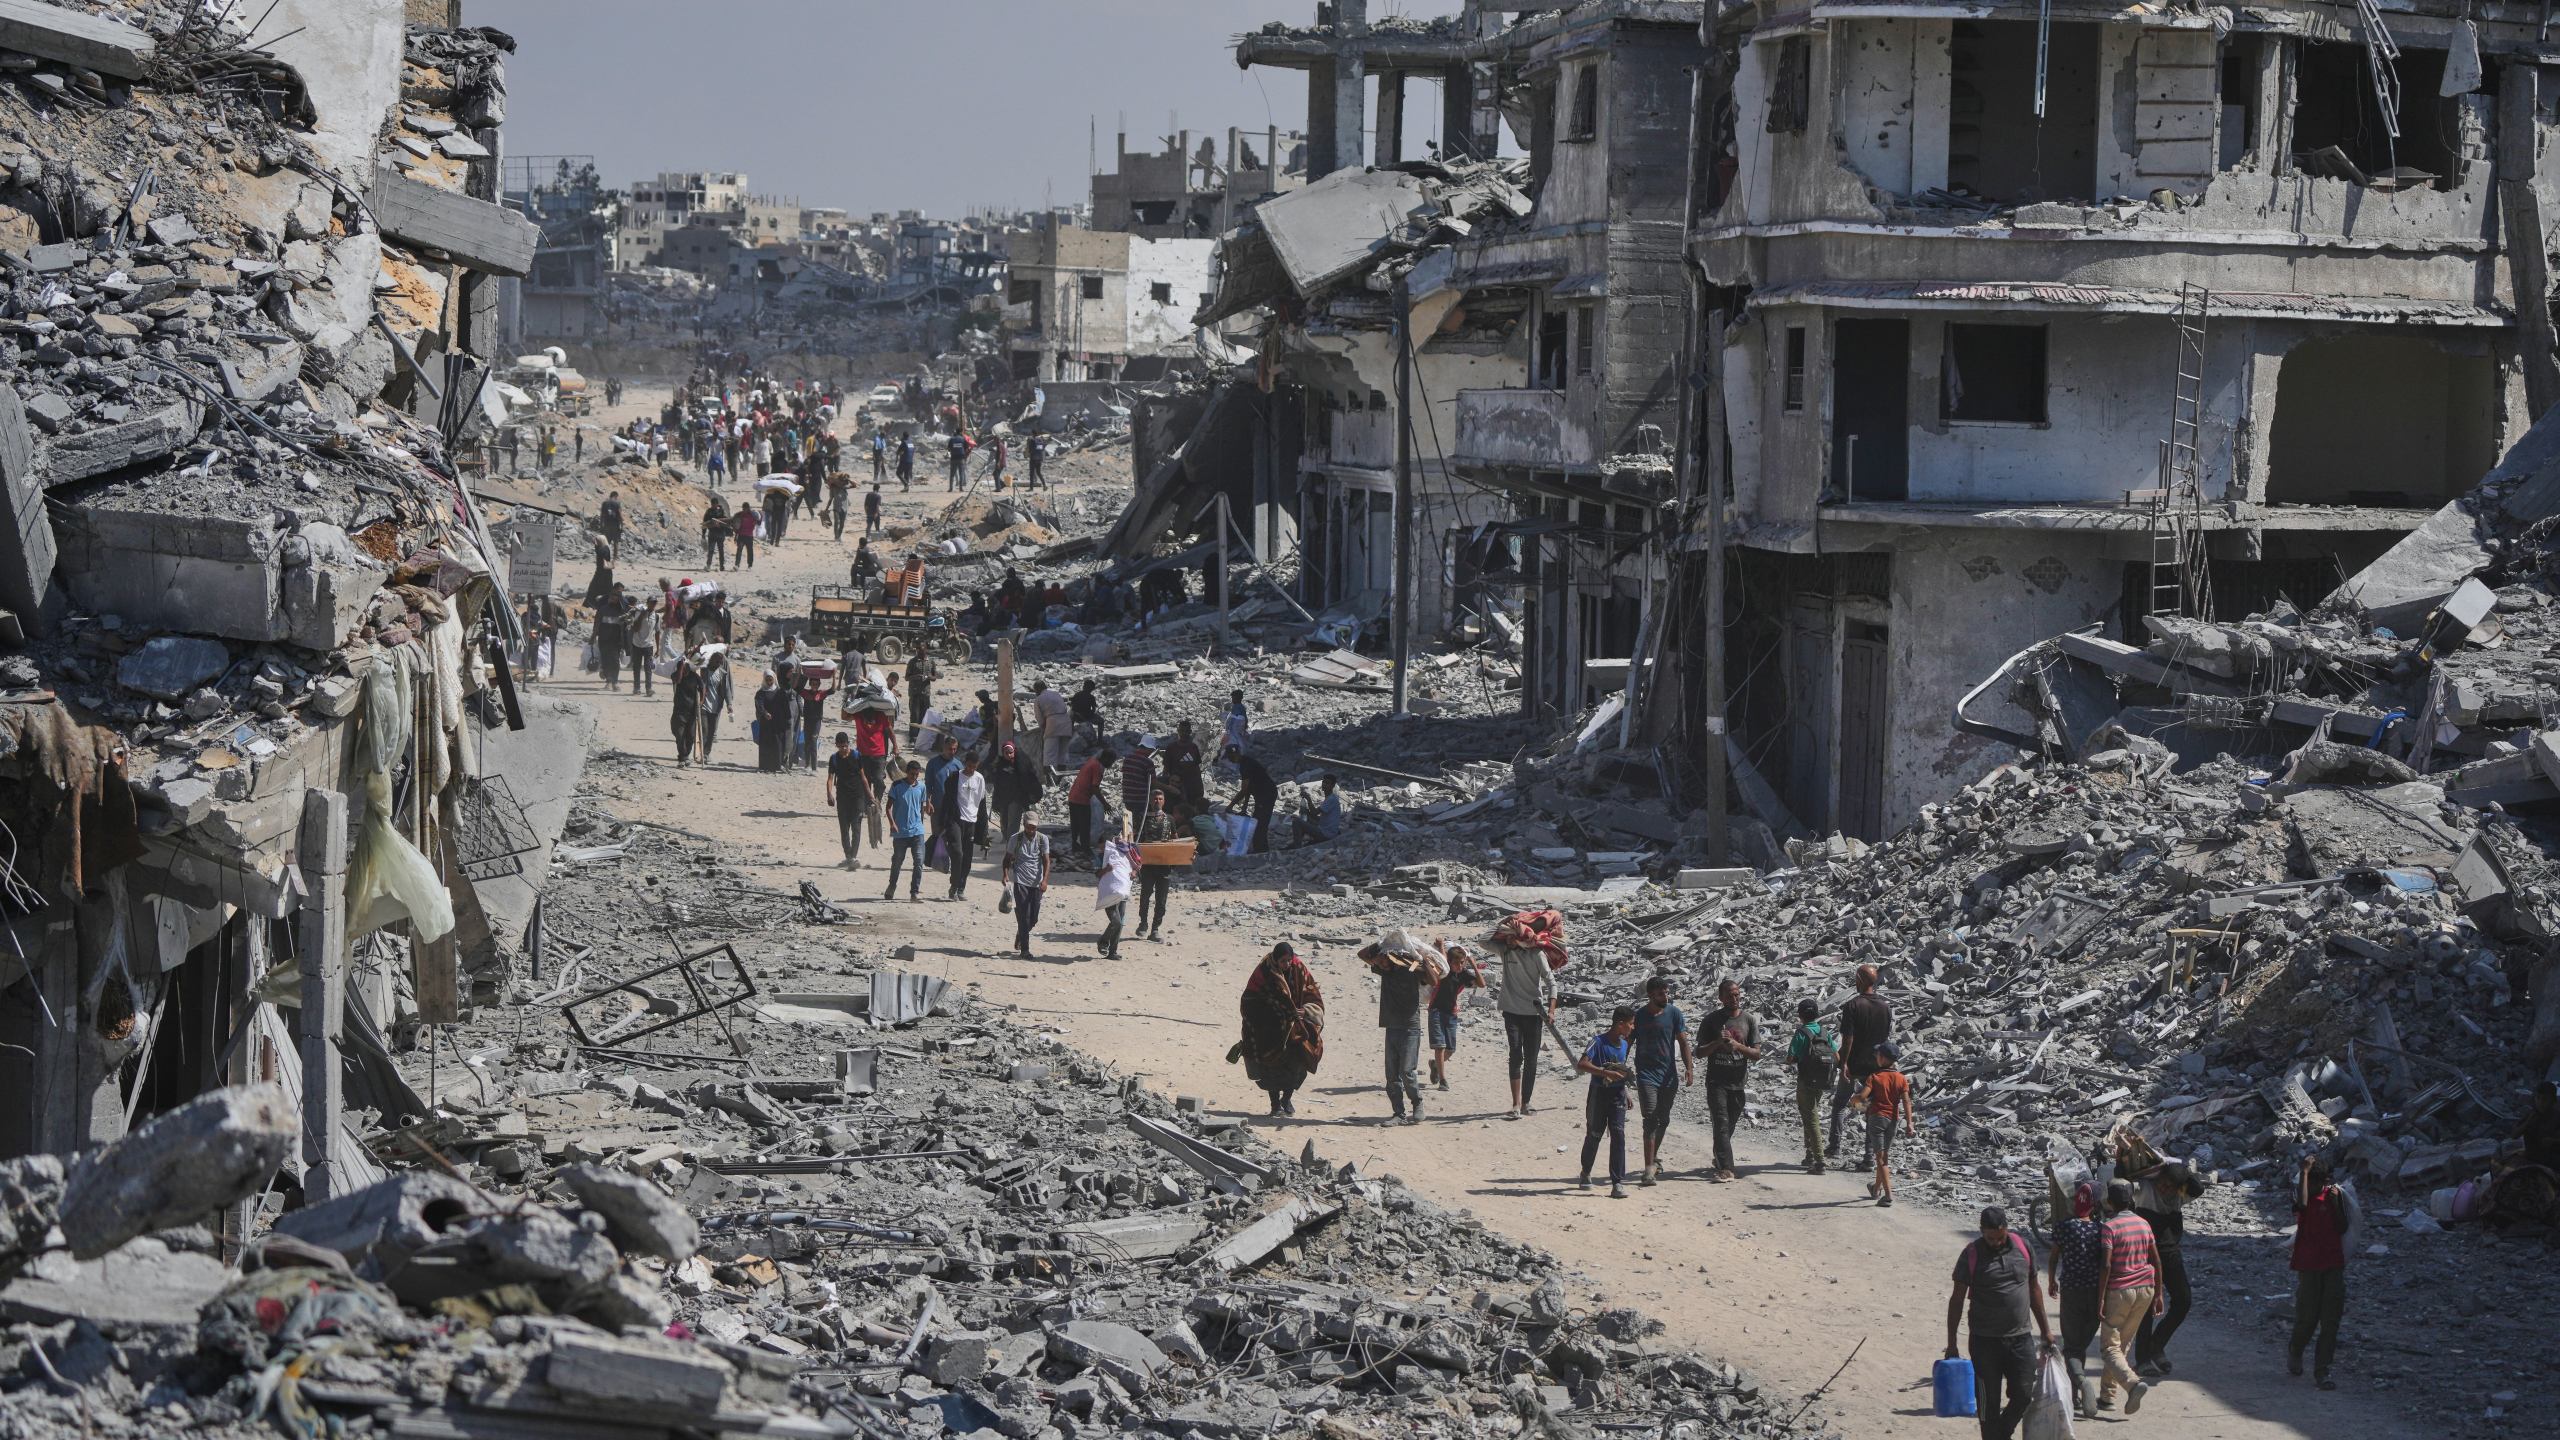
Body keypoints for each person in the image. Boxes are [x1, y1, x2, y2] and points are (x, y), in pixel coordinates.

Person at [1945, 1206, 2057, 1440]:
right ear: (1981, 1232)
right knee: (1988, 1406)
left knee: (2024, 1394)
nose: (1995, 1242)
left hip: (2020, 1338)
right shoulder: (1971, 1254)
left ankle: (2002, 1435)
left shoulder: (2023, 1247)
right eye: (1990, 1238)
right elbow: (1957, 1300)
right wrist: (1952, 1342)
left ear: (2006, 1229)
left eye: (2000, 1237)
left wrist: (2046, 1329)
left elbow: (2034, 1289)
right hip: (1984, 1343)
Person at [2123, 1148, 2207, 1377]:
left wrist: (2177, 1167)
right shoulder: (2145, 1188)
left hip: (2170, 1254)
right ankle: (2142, 1359)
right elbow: (2123, 1175)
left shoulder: (2180, 1195)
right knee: (2147, 1305)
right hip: (2145, 1255)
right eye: (2162, 1183)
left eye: (2170, 1186)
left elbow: (2198, 1188)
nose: (2164, 1189)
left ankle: (2157, 1344)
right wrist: (2159, 1167)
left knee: (2183, 1300)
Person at [1358, 934, 1443, 1125]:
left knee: (1407, 1071)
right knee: (1391, 1074)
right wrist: (1383, 943)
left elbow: (1434, 981)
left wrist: (1423, 960)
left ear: (1391, 957)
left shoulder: (1410, 969)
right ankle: (1399, 1113)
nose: (1380, 963)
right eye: (1379, 961)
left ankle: (1417, 1103)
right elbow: (1362, 954)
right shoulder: (1384, 971)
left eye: (1383, 960)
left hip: (1410, 1027)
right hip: (1391, 1026)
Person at [2097, 1180, 2161, 1414]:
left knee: (2109, 1348)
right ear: (2132, 1200)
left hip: (2120, 1291)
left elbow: (2106, 1265)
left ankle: (2132, 1384)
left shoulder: (2109, 1227)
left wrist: (2100, 1297)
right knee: (2120, 1346)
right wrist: (2159, 1293)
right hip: (2146, 1288)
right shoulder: (2143, 1223)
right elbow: (2156, 1259)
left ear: (2109, 1202)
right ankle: (2107, 1397)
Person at [2288, 1155, 2351, 1391]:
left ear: (2324, 1181)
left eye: (2318, 1182)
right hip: (2308, 1266)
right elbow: (2303, 1205)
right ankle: (2296, 1349)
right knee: (2307, 1318)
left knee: (2330, 1322)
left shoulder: (2334, 1196)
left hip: (2333, 1265)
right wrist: (2304, 1173)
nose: (2314, 1187)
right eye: (2310, 1181)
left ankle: (2322, 1370)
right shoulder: (2300, 1192)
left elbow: (2343, 1227)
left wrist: (2334, 1203)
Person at [1239, 942, 1323, 1118]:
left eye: (1289, 960)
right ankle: (1275, 1104)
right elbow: (1250, 999)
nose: (1287, 964)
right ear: (1276, 960)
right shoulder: (1263, 972)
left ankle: (1287, 1098)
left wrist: (1306, 1010)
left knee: (1298, 1061)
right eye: (1283, 961)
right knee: (1271, 1065)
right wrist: (1275, 1012)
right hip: (1269, 1028)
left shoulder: (1299, 969)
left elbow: (1312, 993)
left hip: (1295, 1027)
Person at [2047, 1177, 2107, 1418]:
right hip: (2094, 1293)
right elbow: (2106, 1264)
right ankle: (2074, 1394)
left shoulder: (2064, 1227)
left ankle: (2081, 1383)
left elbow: (2053, 1256)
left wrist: (2052, 1280)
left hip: (2071, 1291)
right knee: (2079, 1345)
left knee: (2071, 1347)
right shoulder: (2101, 1229)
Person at [1627, 977, 1692, 1186]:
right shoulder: (1640, 1016)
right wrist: (1620, 1067)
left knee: (1663, 1119)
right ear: (1651, 995)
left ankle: (1653, 1157)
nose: (1666, 997)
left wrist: (1689, 1068)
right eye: (1661, 994)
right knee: (1650, 1118)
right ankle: (1648, 1169)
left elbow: (1683, 1042)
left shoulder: (1674, 1014)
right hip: (1646, 1075)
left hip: (1668, 1075)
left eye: (1667, 993)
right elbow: (1628, 1042)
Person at [1828, 964, 1893, 1168]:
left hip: (1854, 1064)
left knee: (1840, 1103)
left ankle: (1834, 1147)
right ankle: (1868, 1157)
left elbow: (1848, 1039)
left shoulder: (1853, 1005)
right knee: (1870, 1109)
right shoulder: (1885, 1007)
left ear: (1859, 979)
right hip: (1875, 1066)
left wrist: (1844, 1063)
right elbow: (1885, 1039)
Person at [1697, 978, 1761, 1182]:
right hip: (1716, 1082)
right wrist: (1717, 1042)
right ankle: (1727, 1169)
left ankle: (1719, 1154)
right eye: (1730, 995)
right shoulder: (1711, 1020)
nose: (1734, 999)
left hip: (1738, 1082)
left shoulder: (1749, 1020)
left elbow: (1756, 1054)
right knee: (1721, 1123)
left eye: (1737, 994)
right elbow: (1699, 1052)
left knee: (1729, 1124)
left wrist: (1738, 1046)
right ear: (1721, 998)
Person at [1575, 1007, 1638, 1199]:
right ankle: (1586, 1171)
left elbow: (1621, 1070)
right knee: (1594, 1134)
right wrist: (1605, 1072)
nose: (1632, 1027)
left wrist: (1625, 1091)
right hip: (1599, 1095)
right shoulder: (1598, 1042)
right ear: (1620, 1024)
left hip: (1617, 1095)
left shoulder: (1624, 1044)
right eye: (1631, 1024)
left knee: (1618, 1135)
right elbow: (1582, 1064)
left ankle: (1617, 1182)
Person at [1495, 930, 1556, 1119]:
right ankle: (1515, 1103)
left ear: (1522, 938)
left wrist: (1551, 1010)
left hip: (1533, 1014)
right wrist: (1509, 924)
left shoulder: (1537, 955)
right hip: (1511, 1011)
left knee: (1531, 1059)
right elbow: (1483, 940)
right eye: (1507, 936)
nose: (1508, 939)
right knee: (1515, 1055)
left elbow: (1551, 982)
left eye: (1512, 936)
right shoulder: (1505, 952)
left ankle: (1526, 1102)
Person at [1850, 1041, 1914, 1206]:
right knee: (1883, 1155)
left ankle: (1888, 1196)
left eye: (1878, 1055)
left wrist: (1853, 1101)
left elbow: (1863, 1097)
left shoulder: (1875, 1077)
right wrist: (1910, 1123)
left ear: (1883, 1058)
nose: (1876, 1057)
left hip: (1877, 1118)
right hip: (1893, 1120)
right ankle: (1876, 1189)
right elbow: (1906, 1101)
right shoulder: (1901, 1078)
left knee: (1881, 1159)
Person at [1426, 944, 1480, 1090]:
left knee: (1450, 1049)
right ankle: (1443, 1080)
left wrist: (1473, 965)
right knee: (1440, 1046)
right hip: (1436, 1011)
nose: (1459, 966)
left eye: (1462, 962)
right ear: (1449, 962)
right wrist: (1441, 946)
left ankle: (1435, 1065)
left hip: (1451, 1014)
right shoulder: (1445, 970)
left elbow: (1481, 984)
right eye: (1456, 963)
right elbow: (1442, 958)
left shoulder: (1464, 974)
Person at [1001, 813, 1050, 957]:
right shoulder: (1015, 839)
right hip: (1020, 881)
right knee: (1024, 916)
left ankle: (1021, 934)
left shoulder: (1042, 839)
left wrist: (1045, 880)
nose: (1031, 829)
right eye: (1029, 826)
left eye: (1034, 827)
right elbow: (1007, 859)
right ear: (1024, 824)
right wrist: (1005, 875)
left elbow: (1046, 861)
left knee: (1033, 919)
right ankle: (1025, 950)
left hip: (1037, 883)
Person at [943, 750, 988, 899]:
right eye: (968, 766)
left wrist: (984, 829)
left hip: (972, 822)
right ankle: (954, 884)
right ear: (964, 763)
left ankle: (961, 887)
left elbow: (981, 803)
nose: (970, 769)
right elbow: (947, 800)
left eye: (974, 767)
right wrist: (944, 823)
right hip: (956, 820)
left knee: (967, 857)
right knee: (958, 853)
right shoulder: (954, 777)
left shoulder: (980, 779)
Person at [882, 759, 930, 900]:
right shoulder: (897, 786)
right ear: (906, 772)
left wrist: (925, 814)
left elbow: (921, 807)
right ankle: (892, 886)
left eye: (916, 774)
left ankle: (914, 892)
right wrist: (892, 823)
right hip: (900, 832)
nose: (914, 777)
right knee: (897, 861)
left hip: (917, 831)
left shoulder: (922, 787)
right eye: (911, 774)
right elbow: (888, 807)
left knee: (919, 861)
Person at [1135, 790, 1176, 941]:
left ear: (1164, 801)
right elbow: (1136, 838)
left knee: (1161, 899)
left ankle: (1155, 929)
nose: (1157, 801)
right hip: (1148, 865)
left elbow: (1175, 839)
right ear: (1150, 801)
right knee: (1145, 895)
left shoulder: (1169, 819)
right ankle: (1143, 923)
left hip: (1164, 866)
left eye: (1160, 799)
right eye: (1155, 799)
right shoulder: (1143, 818)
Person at [826, 732, 871, 868]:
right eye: (840, 747)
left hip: (857, 797)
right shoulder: (834, 758)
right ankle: (848, 856)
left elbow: (863, 777)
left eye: (845, 746)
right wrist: (829, 794)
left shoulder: (856, 756)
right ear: (836, 745)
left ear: (848, 744)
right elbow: (830, 778)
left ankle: (853, 857)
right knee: (844, 828)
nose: (843, 749)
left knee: (856, 827)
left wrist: (870, 795)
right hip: (842, 797)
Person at [987, 738, 1044, 845]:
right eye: (1006, 753)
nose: (1009, 755)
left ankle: (1011, 844)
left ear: (1014, 751)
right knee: (1004, 820)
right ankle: (1006, 838)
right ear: (1003, 753)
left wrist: (1033, 794)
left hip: (1017, 798)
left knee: (1013, 821)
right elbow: (997, 782)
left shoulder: (1021, 762)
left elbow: (1028, 778)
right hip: (1004, 797)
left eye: (1011, 752)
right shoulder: (1000, 764)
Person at [1094, 822, 1138, 959]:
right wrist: (1106, 870)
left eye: (1102, 847)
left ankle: (1111, 950)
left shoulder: (1122, 853)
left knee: (1119, 923)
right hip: (1109, 892)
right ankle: (1105, 944)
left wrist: (1134, 872)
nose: (1101, 850)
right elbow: (1097, 874)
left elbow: (1134, 866)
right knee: (1117, 922)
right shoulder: (1101, 857)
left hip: (1123, 891)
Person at [1224, 746, 1276, 854]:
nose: (1229, 760)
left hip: (1266, 794)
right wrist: (1244, 807)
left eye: (1229, 757)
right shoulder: (1246, 762)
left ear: (1234, 755)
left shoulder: (1245, 766)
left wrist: (1230, 806)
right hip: (1263, 794)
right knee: (1258, 820)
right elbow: (1248, 788)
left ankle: (1261, 851)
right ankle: (1261, 849)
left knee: (1260, 823)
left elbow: (1244, 790)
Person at [1067, 745, 1113, 860]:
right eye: (1111, 761)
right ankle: (1086, 850)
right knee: (1084, 826)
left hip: (1073, 796)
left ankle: (1075, 847)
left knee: (1076, 825)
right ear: (1105, 759)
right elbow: (1094, 788)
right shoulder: (1097, 767)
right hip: (1081, 799)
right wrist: (1105, 804)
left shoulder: (1092, 762)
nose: (1111, 764)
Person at [695, 651, 730, 763]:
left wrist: (729, 704)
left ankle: (706, 753)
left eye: (720, 662)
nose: (718, 664)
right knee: (704, 730)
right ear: (711, 660)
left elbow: (726, 690)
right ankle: (702, 753)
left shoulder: (722, 673)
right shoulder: (703, 670)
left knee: (711, 732)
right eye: (717, 661)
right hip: (703, 704)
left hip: (716, 707)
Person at [753, 673, 791, 772]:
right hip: (766, 722)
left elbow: (786, 706)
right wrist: (765, 713)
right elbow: (759, 704)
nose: (769, 682)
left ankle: (777, 765)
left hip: (779, 723)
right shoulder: (761, 693)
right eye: (767, 680)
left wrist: (788, 719)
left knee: (778, 743)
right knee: (766, 743)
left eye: (771, 680)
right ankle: (765, 766)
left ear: (774, 679)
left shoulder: (780, 692)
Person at [668, 654, 702, 765]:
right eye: (681, 667)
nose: (683, 670)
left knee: (690, 736)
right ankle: (682, 757)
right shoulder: (676, 675)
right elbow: (677, 680)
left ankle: (686, 755)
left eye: (684, 667)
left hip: (691, 712)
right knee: (679, 735)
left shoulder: (694, 677)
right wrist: (680, 667)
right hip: (679, 712)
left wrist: (701, 702)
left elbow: (703, 688)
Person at [1032, 680, 1072, 772]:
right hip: (1066, 722)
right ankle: (1062, 777)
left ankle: (1049, 778)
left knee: (1049, 754)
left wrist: (1043, 730)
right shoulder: (1056, 694)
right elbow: (1064, 707)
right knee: (1063, 753)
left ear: (1037, 690)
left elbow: (1039, 718)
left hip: (1053, 724)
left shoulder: (1038, 699)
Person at [625, 595, 660, 697]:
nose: (653, 604)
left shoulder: (656, 616)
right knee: (636, 667)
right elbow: (635, 629)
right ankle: (637, 688)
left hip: (648, 645)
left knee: (648, 668)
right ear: (647, 603)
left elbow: (657, 632)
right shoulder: (639, 613)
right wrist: (641, 616)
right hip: (637, 644)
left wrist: (658, 648)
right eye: (651, 602)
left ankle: (649, 689)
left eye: (655, 603)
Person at [595, 590, 628, 691]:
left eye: (615, 597)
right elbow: (597, 623)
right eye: (611, 597)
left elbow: (625, 628)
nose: (612, 599)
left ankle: (615, 682)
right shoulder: (603, 609)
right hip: (604, 639)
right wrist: (593, 637)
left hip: (616, 640)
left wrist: (625, 642)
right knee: (606, 661)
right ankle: (608, 682)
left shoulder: (622, 611)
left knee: (615, 661)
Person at [906, 651, 937, 744]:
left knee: (924, 717)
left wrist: (928, 677)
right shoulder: (912, 662)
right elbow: (907, 677)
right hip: (914, 693)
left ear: (926, 649)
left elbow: (934, 677)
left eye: (921, 648)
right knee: (914, 715)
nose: (919, 651)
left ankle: (921, 737)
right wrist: (916, 677)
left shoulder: (931, 662)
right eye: (918, 649)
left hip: (925, 694)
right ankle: (913, 737)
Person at [1305, 773, 1346, 843]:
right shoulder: (1330, 798)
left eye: (1327, 783)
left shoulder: (1331, 799)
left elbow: (1314, 813)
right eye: (1323, 782)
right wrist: (1307, 813)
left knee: (1297, 822)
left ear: (1332, 786)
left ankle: (1297, 844)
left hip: (1327, 834)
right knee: (1306, 817)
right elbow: (1320, 818)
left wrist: (1308, 799)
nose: (1324, 785)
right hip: (1326, 830)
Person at [703, 499, 729, 570]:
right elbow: (705, 523)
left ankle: (721, 566)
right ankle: (708, 565)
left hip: (721, 533)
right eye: (712, 504)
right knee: (711, 550)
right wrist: (703, 533)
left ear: (717, 504)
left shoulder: (722, 511)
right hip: (712, 533)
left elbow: (727, 521)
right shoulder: (709, 511)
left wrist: (720, 524)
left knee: (721, 550)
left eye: (714, 504)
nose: (713, 506)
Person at [1222, 688, 1250, 754]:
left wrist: (1228, 728)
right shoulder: (1241, 707)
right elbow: (1245, 718)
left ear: (1238, 698)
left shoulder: (1236, 707)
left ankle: (1241, 752)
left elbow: (1234, 720)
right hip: (1238, 728)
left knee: (1236, 739)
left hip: (1235, 727)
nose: (1232, 700)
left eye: (1233, 698)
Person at [828, 469, 853, 540]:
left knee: (842, 523)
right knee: (836, 522)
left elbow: (854, 485)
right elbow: (830, 499)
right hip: (836, 507)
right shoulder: (833, 488)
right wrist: (827, 508)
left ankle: (839, 536)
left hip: (845, 507)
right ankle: (836, 537)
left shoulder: (845, 487)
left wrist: (849, 479)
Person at [733, 502, 759, 568]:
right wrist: (736, 536)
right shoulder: (740, 515)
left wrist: (755, 522)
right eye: (743, 508)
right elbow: (737, 526)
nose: (744, 510)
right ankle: (737, 565)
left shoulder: (753, 515)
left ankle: (750, 565)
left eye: (745, 508)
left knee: (749, 551)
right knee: (739, 550)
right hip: (741, 535)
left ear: (748, 508)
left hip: (749, 536)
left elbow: (758, 521)